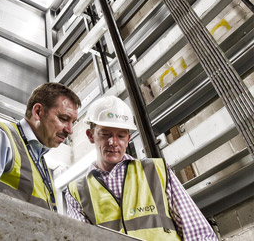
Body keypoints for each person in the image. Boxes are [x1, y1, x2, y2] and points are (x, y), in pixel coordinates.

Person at [66, 95, 218, 241]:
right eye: (105, 134)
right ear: (90, 135)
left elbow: (198, 233)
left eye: (120, 136)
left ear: (128, 139)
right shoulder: (77, 192)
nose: (113, 142)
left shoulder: (157, 171)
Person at [0, 82, 81, 211]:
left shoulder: (40, 163)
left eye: (73, 122)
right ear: (38, 112)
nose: (70, 130)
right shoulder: (2, 135)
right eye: (63, 118)